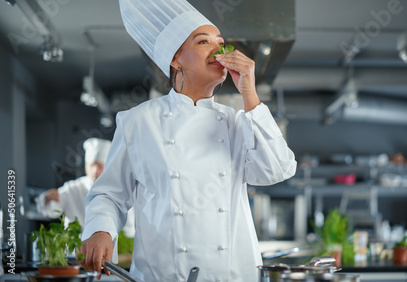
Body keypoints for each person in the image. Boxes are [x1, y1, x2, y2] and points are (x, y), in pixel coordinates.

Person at [79, 0, 297, 281]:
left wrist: (250, 94)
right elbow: (109, 194)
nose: (219, 49)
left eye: (221, 42)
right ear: (175, 58)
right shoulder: (137, 122)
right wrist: (100, 230)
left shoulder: (236, 121)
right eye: (203, 41)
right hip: (162, 275)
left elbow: (277, 170)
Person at [35, 138, 135, 237]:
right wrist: (47, 198)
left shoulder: (121, 190)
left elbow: (129, 228)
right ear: (86, 165)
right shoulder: (72, 189)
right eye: (92, 165)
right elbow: (50, 210)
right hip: (75, 250)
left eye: (100, 166)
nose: (95, 171)